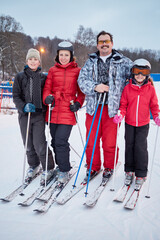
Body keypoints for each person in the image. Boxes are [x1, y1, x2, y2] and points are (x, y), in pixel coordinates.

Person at [78, 31, 133, 180]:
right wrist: (96, 86)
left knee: (110, 141)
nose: (104, 44)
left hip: (113, 108)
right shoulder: (91, 61)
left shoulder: (123, 61)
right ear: (97, 44)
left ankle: (109, 166)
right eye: (101, 41)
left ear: (112, 43)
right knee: (92, 140)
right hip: (93, 107)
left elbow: (136, 76)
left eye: (107, 41)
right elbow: (81, 80)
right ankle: (93, 166)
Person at [113, 59, 160, 188]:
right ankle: (129, 171)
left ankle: (141, 173)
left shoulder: (150, 89)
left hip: (143, 124)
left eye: (143, 72)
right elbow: (123, 105)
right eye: (137, 72)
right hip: (129, 122)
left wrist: (156, 116)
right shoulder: (128, 88)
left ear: (147, 74)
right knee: (129, 146)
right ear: (132, 73)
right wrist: (120, 114)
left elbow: (154, 106)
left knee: (140, 148)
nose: (140, 75)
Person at [43, 41, 85, 183]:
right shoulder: (52, 70)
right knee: (55, 142)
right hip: (53, 110)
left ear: (71, 56)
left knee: (61, 140)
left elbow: (81, 93)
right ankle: (60, 165)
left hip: (68, 109)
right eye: (61, 55)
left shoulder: (77, 71)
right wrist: (47, 98)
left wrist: (78, 103)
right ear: (57, 55)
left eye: (66, 55)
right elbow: (47, 89)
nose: (63, 57)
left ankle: (64, 170)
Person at [13, 48, 55, 185]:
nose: (33, 61)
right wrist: (23, 107)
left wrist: (49, 100)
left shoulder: (43, 77)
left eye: (35, 59)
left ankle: (48, 166)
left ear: (39, 61)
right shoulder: (19, 77)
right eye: (30, 59)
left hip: (38, 115)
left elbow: (49, 92)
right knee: (28, 144)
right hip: (24, 115)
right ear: (26, 61)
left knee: (39, 143)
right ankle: (33, 165)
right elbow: (16, 96)